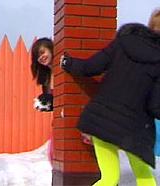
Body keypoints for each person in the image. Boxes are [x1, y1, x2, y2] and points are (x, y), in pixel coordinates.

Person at [60, 8, 160, 186]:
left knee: (109, 178)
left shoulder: (123, 42)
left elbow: (91, 67)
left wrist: (68, 63)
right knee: (144, 177)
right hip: (134, 128)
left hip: (102, 120)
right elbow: (155, 105)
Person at [31, 37, 54, 112]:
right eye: (38, 57)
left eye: (42, 52)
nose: (41, 57)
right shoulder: (46, 78)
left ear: (51, 50)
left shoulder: (63, 67)